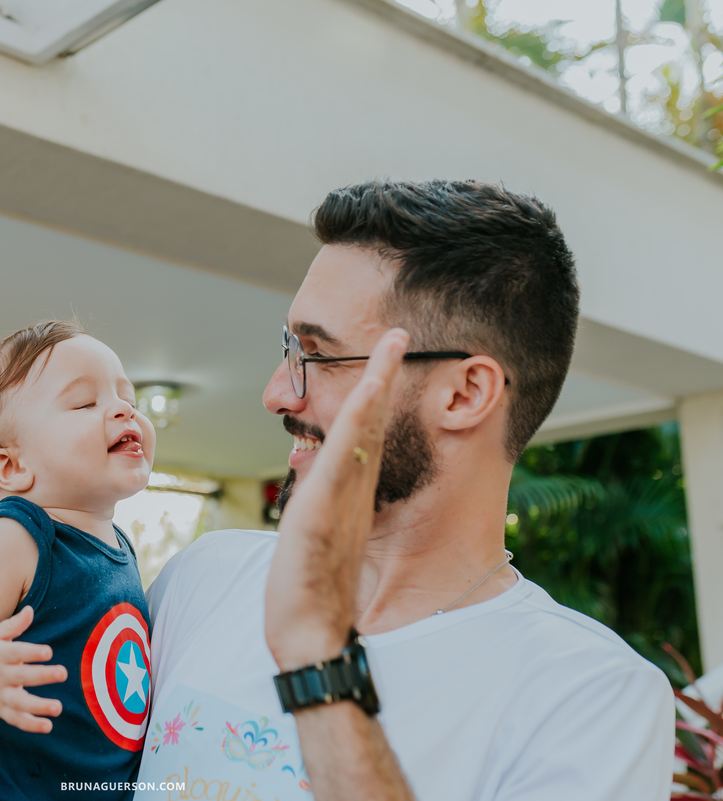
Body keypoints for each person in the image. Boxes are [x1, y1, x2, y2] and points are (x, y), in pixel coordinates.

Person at [136, 180, 674, 801]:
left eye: (319, 354)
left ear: (464, 394)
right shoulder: (205, 577)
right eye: (290, 348)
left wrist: (318, 662)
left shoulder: (590, 698)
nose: (277, 393)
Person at [0, 320, 158, 800]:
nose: (124, 409)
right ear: (11, 466)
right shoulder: (17, 537)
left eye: (128, 397)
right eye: (85, 403)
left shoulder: (119, 546)